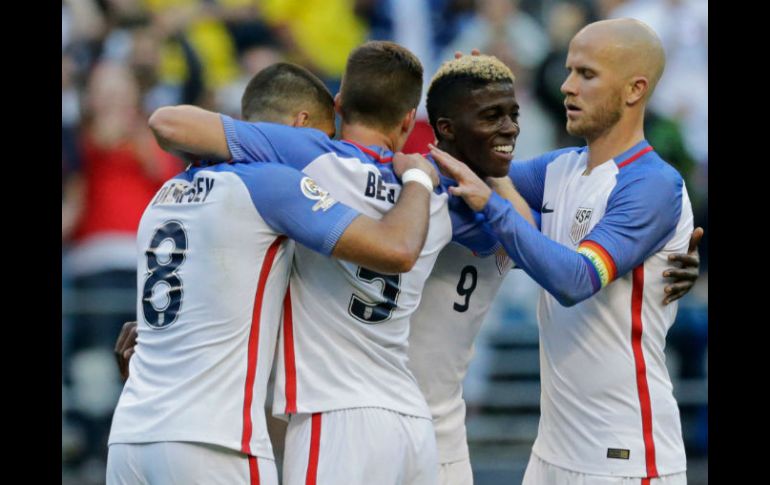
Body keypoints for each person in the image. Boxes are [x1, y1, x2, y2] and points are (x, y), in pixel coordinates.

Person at [117, 51, 702, 484]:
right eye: (491, 116)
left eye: (512, 115)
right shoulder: (453, 201)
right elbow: (554, 251)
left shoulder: (470, 197)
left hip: (386, 423)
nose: (508, 130)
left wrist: (661, 257)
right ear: (427, 126)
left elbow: (575, 259)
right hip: (405, 427)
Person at [131, 41, 484, 485]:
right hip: (412, 421)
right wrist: (430, 163)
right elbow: (510, 225)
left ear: (340, 104)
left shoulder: (296, 171)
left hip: (330, 417)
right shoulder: (431, 201)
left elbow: (168, 123)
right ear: (406, 119)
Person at [431, 18, 694, 484]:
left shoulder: (653, 183)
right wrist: (460, 112)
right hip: (552, 451)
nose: (567, 86)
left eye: (587, 74)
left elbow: (575, 280)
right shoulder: (561, 168)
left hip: (625, 455)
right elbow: (474, 175)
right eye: (569, 70)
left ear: (634, 90)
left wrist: (492, 201)